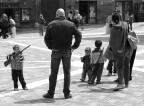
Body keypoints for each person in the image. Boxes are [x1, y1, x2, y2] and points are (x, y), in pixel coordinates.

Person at [43, 8, 82, 99]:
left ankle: (51, 93)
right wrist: (74, 46)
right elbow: (79, 35)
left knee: (54, 73)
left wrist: (50, 47)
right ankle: (66, 93)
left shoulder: (51, 24)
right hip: (67, 51)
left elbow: (46, 39)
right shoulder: (70, 24)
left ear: (57, 14)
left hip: (56, 51)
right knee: (67, 73)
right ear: (64, 15)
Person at [109, 12, 132, 91]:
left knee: (119, 66)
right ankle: (126, 84)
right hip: (128, 48)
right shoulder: (125, 24)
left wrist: (112, 49)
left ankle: (120, 84)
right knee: (127, 65)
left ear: (114, 20)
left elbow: (112, 42)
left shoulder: (113, 29)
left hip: (119, 51)